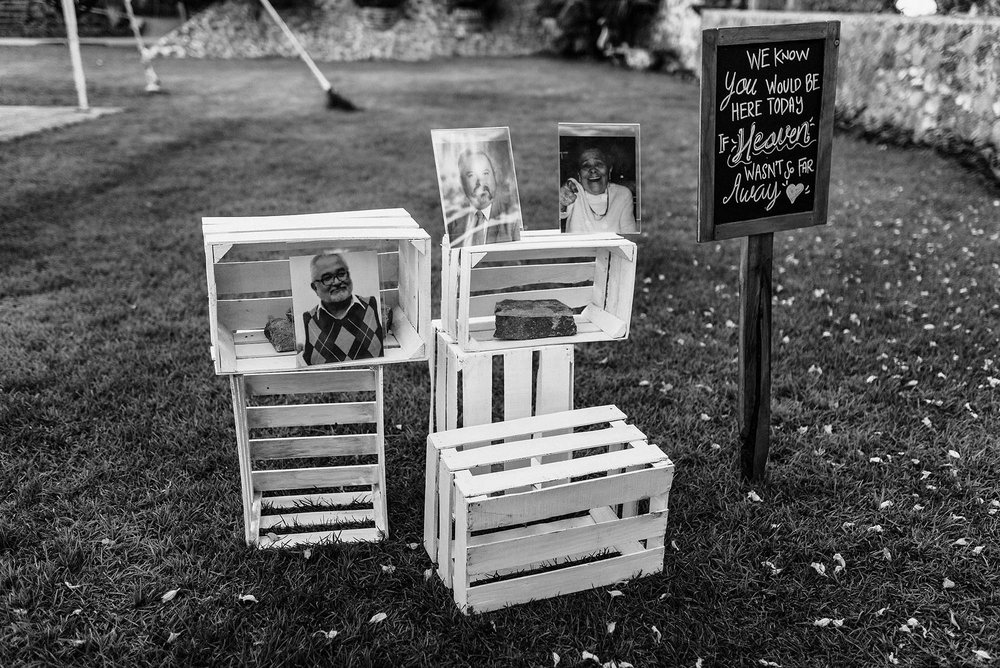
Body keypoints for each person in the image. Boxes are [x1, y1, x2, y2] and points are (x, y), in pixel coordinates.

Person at [300, 253, 384, 366]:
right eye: (327, 278)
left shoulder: (375, 306)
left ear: (348, 275)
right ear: (315, 288)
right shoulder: (306, 322)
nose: (337, 282)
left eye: (341, 274)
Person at [448, 148, 520, 247]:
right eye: (471, 175)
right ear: (461, 182)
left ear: (494, 175)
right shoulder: (453, 221)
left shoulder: (512, 218)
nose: (480, 182)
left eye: (485, 173)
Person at [559, 147, 637, 234]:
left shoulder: (622, 194)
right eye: (586, 166)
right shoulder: (574, 190)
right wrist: (561, 202)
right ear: (579, 174)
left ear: (609, 169)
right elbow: (558, 211)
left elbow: (630, 235)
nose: (593, 170)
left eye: (599, 164)